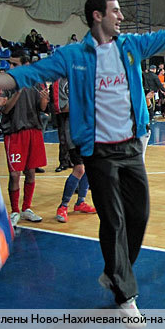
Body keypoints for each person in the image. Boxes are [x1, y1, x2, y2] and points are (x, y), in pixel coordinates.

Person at [0, 0, 165, 316]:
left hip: (131, 145)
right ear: (98, 16)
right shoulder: (74, 56)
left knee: (139, 215)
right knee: (113, 219)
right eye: (115, 11)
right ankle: (125, 294)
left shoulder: (130, 47)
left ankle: (114, 272)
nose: (121, 17)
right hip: (98, 152)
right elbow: (31, 73)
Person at [0, 51, 49, 226]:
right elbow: (5, 109)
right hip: (14, 132)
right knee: (14, 174)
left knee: (30, 172)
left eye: (14, 64)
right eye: (10, 63)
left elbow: (42, 108)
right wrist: (18, 91)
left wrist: (44, 100)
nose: (10, 67)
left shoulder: (36, 82)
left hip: (33, 130)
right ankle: (14, 211)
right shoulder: (7, 84)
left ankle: (26, 208)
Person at [55, 79, 96, 223]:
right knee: (79, 169)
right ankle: (63, 206)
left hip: (89, 129)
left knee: (88, 167)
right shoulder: (62, 82)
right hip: (74, 131)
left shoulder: (86, 78)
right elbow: (61, 107)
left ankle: (80, 202)